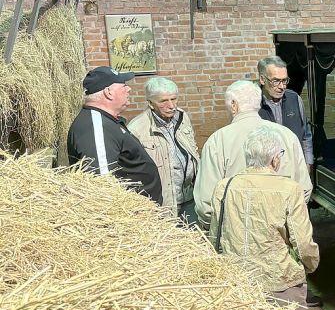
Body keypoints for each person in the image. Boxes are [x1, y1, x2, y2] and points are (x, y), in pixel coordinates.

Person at [210, 126, 319, 303]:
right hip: (280, 281)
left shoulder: (224, 187)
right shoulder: (289, 189)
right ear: (275, 159)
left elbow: (215, 236)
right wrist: (310, 265)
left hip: (237, 281)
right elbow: (303, 242)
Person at [194, 80, 311, 231]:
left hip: (236, 239)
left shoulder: (217, 141)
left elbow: (206, 204)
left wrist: (222, 232)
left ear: (234, 105)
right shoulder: (288, 136)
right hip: (281, 237)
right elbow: (304, 189)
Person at [67, 66, 163, 205]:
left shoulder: (106, 120)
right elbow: (101, 182)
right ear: (109, 92)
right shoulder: (95, 126)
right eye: (123, 85)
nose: (128, 89)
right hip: (130, 217)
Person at [128, 77, 200, 224]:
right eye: (164, 101)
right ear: (150, 103)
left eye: (174, 99)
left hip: (190, 196)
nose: (171, 105)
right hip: (164, 202)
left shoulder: (182, 117)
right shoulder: (137, 129)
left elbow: (193, 148)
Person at [257, 56, 314, 168]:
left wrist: (308, 164)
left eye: (284, 80)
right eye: (276, 81)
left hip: (294, 168)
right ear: (262, 79)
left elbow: (306, 135)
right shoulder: (253, 104)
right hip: (265, 171)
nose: (282, 86)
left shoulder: (294, 99)